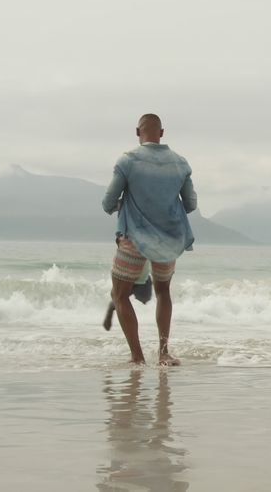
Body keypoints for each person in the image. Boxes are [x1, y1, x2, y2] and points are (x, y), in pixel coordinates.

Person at [102, 113, 197, 365]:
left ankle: (138, 358)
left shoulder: (128, 161)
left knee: (120, 295)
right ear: (162, 133)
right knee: (163, 291)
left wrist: (123, 206)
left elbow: (107, 202)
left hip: (134, 237)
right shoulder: (180, 163)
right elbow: (190, 204)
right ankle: (164, 352)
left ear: (137, 132)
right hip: (170, 239)